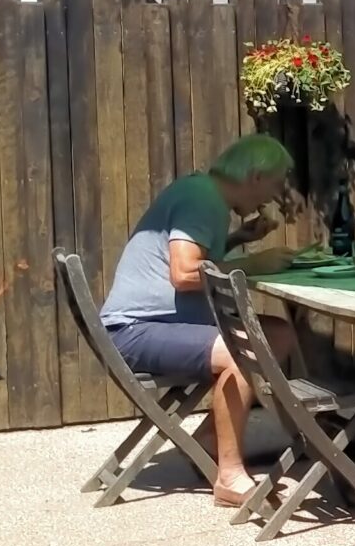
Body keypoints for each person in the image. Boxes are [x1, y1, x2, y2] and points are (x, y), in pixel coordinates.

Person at [98, 134, 302, 506]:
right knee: (247, 350)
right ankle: (229, 476)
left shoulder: (203, 194)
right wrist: (254, 262)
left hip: (146, 326)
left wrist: (240, 237)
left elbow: (196, 259)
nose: (271, 197)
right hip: (135, 331)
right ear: (255, 176)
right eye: (273, 185)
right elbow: (185, 273)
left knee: (278, 334)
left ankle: (209, 439)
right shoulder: (203, 200)